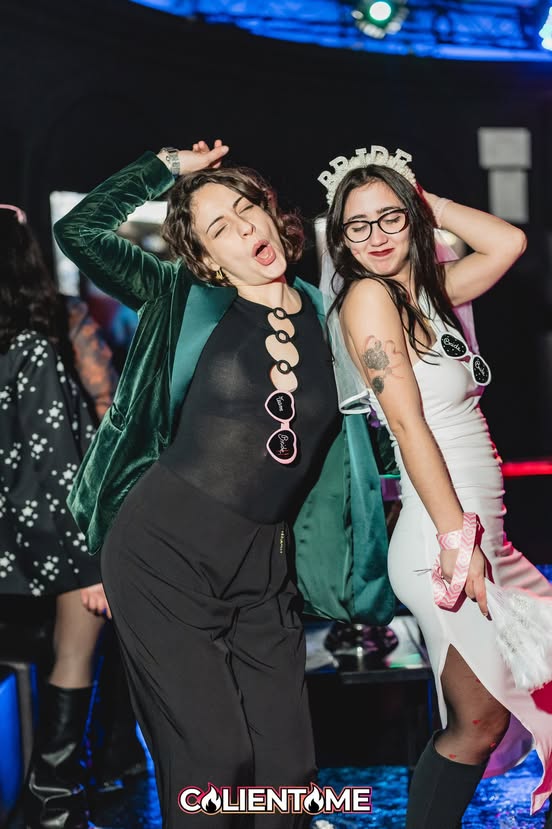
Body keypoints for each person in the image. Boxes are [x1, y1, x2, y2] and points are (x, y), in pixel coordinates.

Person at [53, 141, 393, 828]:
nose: (244, 229)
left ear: (270, 211)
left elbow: (372, 440)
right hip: (162, 554)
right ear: (207, 259)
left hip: (264, 570)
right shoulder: (181, 298)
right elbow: (78, 231)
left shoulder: (333, 315)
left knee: (288, 774)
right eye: (220, 228)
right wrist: (166, 168)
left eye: (246, 209)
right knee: (214, 759)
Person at [320, 146, 552, 827]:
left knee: (508, 702)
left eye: (390, 216)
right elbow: (406, 423)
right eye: (358, 225)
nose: (376, 235)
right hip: (443, 539)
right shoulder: (368, 299)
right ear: (341, 239)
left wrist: (432, 203)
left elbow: (509, 242)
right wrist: (458, 539)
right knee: (478, 722)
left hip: (483, 535)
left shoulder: (430, 291)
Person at [0, 203, 111, 828]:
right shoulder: (34, 347)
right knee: (74, 661)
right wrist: (92, 563)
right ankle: (54, 809)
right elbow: (59, 463)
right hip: (46, 536)